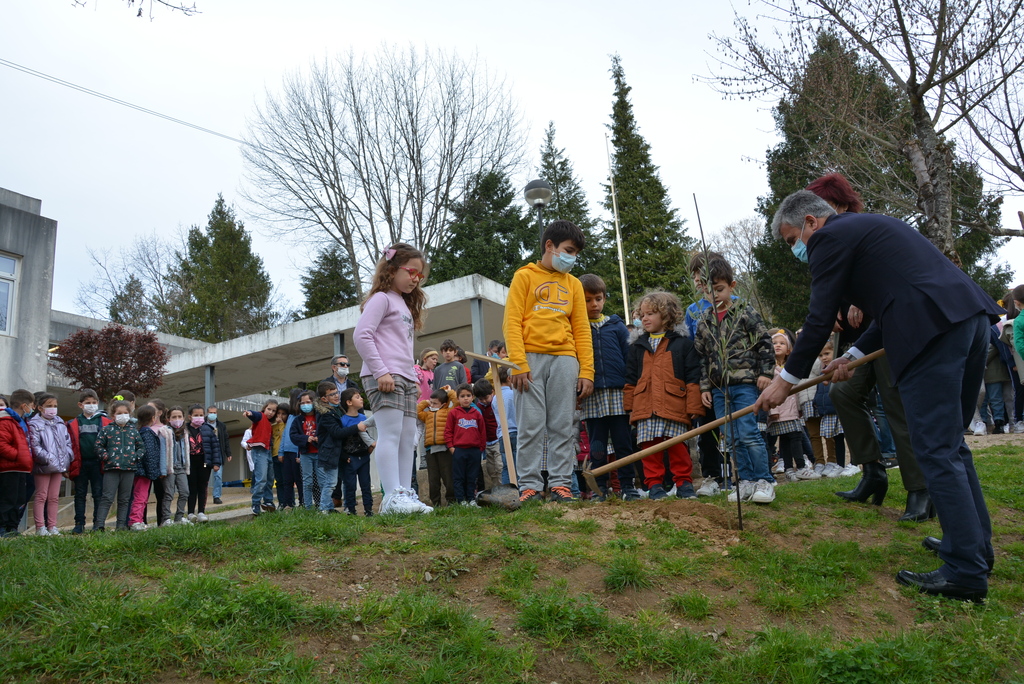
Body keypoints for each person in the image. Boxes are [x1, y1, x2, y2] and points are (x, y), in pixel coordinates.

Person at [757, 189, 1001, 602]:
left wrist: (787, 379)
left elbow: (819, 317)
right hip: (966, 318)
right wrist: (850, 355)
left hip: (932, 331)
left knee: (936, 448)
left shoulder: (830, 238)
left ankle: (965, 571)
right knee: (951, 446)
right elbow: (893, 304)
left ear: (811, 222)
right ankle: (973, 548)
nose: (795, 250)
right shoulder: (868, 227)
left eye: (790, 239)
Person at [806, 174, 932, 521]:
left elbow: (890, 290)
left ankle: (920, 489)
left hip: (890, 337)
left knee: (896, 407)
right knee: (842, 395)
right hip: (855, 345)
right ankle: (872, 472)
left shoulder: (863, 234)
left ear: (842, 205)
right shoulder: (824, 243)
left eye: (823, 207)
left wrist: (866, 302)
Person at [502, 220, 595, 503]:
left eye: (576, 253)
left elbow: (581, 329)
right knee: (530, 425)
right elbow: (511, 322)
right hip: (528, 359)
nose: (572, 258)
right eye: (568, 250)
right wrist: (518, 362)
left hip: (566, 359)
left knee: (563, 425)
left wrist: (587, 370)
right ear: (549, 246)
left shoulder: (575, 285)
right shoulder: (524, 276)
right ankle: (529, 486)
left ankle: (560, 485)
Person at [353, 243, 433, 514]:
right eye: (411, 271)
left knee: (408, 436)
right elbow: (362, 335)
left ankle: (404, 494)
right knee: (390, 434)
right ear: (391, 269)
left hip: (405, 376)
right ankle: (391, 498)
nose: (415, 279)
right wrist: (380, 371)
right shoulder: (381, 298)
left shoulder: (403, 303)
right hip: (385, 376)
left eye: (419, 275)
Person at [694, 257, 777, 505]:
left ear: (732, 285)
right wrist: (705, 387)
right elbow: (703, 358)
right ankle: (745, 482)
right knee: (730, 437)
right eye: (708, 291)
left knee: (749, 433)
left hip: (745, 384)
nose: (714, 295)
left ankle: (764, 480)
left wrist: (766, 374)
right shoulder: (704, 321)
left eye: (719, 289)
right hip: (720, 389)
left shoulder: (745, 313)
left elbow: (765, 344)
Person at [623, 291, 704, 500]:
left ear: (666, 315)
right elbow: (631, 378)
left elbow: (692, 375)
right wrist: (629, 406)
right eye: (642, 315)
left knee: (678, 446)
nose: (645, 318)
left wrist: (694, 405)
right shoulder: (637, 346)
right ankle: (655, 486)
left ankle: (684, 483)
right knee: (649, 448)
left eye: (650, 313)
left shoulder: (683, 344)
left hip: (674, 404)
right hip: (645, 406)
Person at [579, 273, 639, 501]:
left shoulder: (617, 326)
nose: (594, 304)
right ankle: (600, 487)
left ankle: (627, 486)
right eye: (587, 300)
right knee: (597, 446)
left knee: (623, 441)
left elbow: (630, 358)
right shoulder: (577, 329)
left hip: (617, 393)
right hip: (591, 395)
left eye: (598, 298)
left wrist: (631, 388)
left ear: (604, 298)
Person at [685, 253, 732, 498]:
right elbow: (693, 349)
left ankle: (743, 475)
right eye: (694, 275)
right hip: (705, 382)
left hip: (734, 380)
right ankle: (712, 476)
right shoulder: (692, 311)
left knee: (736, 430)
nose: (698, 280)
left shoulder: (734, 303)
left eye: (701, 274)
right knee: (707, 431)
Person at [766, 330, 815, 482]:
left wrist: (799, 408)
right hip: (778, 410)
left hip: (792, 410)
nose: (778, 346)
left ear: (788, 350)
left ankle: (792, 468)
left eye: (782, 343)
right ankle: (797, 467)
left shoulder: (791, 367)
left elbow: (797, 389)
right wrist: (772, 409)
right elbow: (768, 389)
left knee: (791, 438)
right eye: (774, 343)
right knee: (787, 439)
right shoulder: (768, 368)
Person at [94, 400, 145, 532]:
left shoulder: (133, 431)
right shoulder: (107, 430)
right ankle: (99, 526)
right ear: (113, 415)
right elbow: (98, 445)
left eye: (125, 413)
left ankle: (121, 526)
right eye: (119, 413)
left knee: (124, 499)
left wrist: (134, 457)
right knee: (107, 497)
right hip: (111, 469)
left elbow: (141, 447)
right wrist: (106, 457)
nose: (122, 415)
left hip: (129, 469)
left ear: (130, 414)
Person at [28, 393, 74, 536]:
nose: (53, 409)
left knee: (54, 497)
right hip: (44, 466)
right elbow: (35, 446)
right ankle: (40, 527)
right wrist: (49, 459)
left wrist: (67, 457)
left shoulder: (60, 423)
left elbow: (67, 443)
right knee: (41, 496)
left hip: (58, 466)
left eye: (55, 406)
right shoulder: (34, 424)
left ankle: (52, 526)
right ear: (40, 408)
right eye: (49, 406)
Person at [67, 389, 110, 534]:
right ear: (80, 405)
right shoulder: (74, 422)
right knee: (80, 494)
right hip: (81, 463)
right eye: (87, 403)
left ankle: (98, 523)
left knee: (98, 494)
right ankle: (79, 523)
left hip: (99, 463)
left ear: (97, 403)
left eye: (93, 402)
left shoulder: (105, 421)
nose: (91, 405)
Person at [444, 384, 487, 505]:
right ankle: (461, 500)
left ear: (473, 397)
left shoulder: (477, 413)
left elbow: (482, 432)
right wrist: (451, 447)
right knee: (459, 476)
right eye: (462, 396)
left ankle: (471, 499)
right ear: (458, 398)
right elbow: (448, 431)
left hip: (474, 450)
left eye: (468, 395)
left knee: (472, 476)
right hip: (459, 450)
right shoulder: (453, 413)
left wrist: (481, 448)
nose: (466, 398)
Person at [0, 389, 34, 538]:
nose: (32, 409)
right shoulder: (6, 421)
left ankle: (12, 528)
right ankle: (2, 528)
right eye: (32, 405)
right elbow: (2, 444)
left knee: (18, 500)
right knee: (8, 499)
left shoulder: (20, 422)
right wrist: (18, 456)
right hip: (9, 468)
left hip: (21, 468)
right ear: (24, 405)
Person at [417, 388, 458, 507]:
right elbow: (417, 411)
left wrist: (449, 392)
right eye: (431, 402)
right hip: (430, 450)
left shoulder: (449, 412)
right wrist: (425, 402)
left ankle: (452, 501)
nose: (432, 405)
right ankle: (436, 504)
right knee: (433, 479)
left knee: (448, 477)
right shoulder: (427, 414)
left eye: (435, 403)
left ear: (444, 404)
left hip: (445, 449)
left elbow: (456, 402)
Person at [340, 387, 375, 516]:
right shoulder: (343, 420)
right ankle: (350, 509)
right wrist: (344, 456)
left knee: (366, 484)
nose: (361, 399)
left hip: (364, 456)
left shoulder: (363, 416)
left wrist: (370, 447)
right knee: (350, 485)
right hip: (350, 458)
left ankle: (368, 509)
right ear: (349, 402)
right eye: (357, 397)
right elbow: (341, 440)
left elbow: (366, 435)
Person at [128, 405, 162, 531]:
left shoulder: (138, 431)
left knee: (141, 497)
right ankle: (135, 521)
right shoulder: (147, 433)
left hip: (141, 470)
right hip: (144, 472)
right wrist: (153, 472)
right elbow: (150, 455)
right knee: (140, 497)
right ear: (153, 418)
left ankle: (139, 520)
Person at [185, 405, 221, 522]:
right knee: (192, 488)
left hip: (204, 462)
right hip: (190, 463)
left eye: (201, 415)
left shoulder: (208, 429)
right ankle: (190, 513)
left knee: (202, 487)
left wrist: (216, 463)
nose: (199, 417)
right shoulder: (185, 430)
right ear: (190, 417)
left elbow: (215, 447)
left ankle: (201, 512)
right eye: (196, 415)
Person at [243, 399, 279, 517]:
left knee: (269, 478)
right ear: (264, 408)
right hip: (259, 451)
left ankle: (268, 501)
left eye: (274, 411)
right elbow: (255, 415)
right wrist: (249, 413)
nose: (271, 412)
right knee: (261, 478)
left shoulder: (269, 423)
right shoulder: (260, 416)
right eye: (269, 409)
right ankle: (256, 503)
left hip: (268, 451)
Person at [290, 390, 321, 510]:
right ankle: (308, 507)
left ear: (314, 402)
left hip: (319, 453)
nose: (305, 405)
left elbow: (327, 432)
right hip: (305, 454)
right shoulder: (297, 420)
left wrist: (320, 438)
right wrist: (306, 438)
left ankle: (322, 505)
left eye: (308, 402)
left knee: (321, 481)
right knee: (307, 482)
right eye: (303, 403)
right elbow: (293, 436)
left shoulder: (320, 417)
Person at [161, 406, 191, 525]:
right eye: (174, 417)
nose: (177, 419)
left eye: (179, 417)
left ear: (183, 418)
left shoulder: (185, 433)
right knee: (169, 493)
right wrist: (164, 469)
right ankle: (166, 519)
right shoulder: (165, 432)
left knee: (184, 492)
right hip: (170, 468)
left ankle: (179, 517)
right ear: (168, 419)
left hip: (181, 467)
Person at [472, 379, 501, 490]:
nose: (484, 401)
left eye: (486, 398)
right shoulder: (478, 407)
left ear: (492, 392)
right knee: (491, 468)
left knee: (499, 465)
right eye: (481, 399)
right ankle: (496, 488)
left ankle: (504, 487)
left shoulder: (496, 403)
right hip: (487, 442)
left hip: (497, 439)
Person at [495, 367, 518, 486]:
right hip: (514, 431)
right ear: (509, 378)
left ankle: (506, 490)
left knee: (505, 466)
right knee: (517, 464)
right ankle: (519, 490)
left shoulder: (495, 397)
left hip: (501, 434)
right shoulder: (512, 394)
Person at [207, 405, 231, 505]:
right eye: (211, 413)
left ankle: (216, 496)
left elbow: (226, 440)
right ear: (207, 413)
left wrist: (228, 453)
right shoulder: (202, 424)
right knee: (204, 476)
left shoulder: (221, 426)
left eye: (214, 413)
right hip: (206, 454)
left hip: (218, 453)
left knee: (218, 476)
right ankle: (201, 496)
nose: (213, 415)